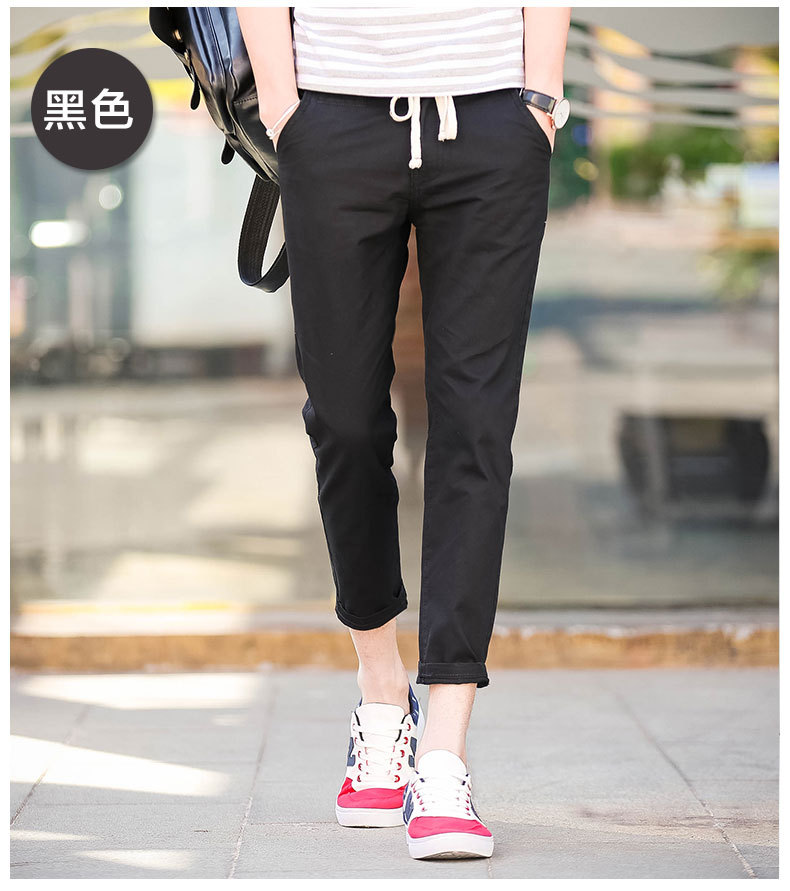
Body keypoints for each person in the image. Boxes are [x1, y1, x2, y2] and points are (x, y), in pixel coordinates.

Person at [237, 5, 571, 861]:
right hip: (332, 116)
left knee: (475, 428)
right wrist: (283, 106)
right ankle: (382, 688)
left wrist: (540, 96)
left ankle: (443, 754)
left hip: (493, 116)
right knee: (345, 421)